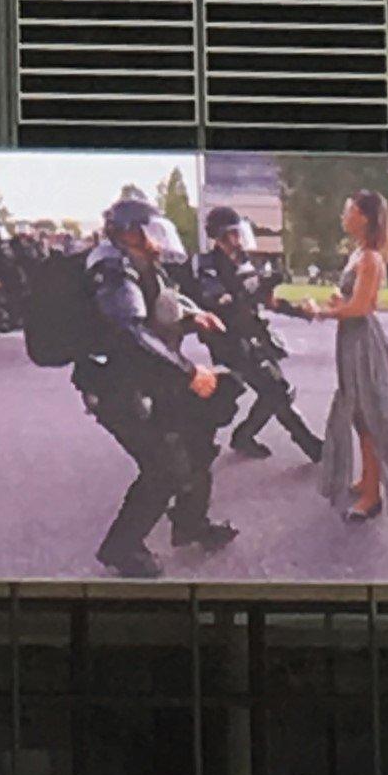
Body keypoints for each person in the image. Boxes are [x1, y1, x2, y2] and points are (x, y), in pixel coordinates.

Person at [78, 188, 237, 579]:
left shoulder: (138, 261)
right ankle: (121, 548)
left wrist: (190, 319)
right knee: (162, 466)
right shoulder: (113, 270)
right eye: (148, 232)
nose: (157, 241)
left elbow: (159, 309)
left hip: (146, 376)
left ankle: (190, 522)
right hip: (117, 387)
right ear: (128, 233)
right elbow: (130, 331)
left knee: (198, 440)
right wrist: (189, 373)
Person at [300, 186, 388, 528]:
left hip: (363, 343)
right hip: (351, 342)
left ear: (362, 218)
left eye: (349, 210)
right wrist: (338, 301)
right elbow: (353, 301)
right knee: (360, 415)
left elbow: (362, 308)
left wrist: (320, 311)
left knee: (373, 417)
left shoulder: (369, 259)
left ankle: (373, 496)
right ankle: (367, 481)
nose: (343, 215)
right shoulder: (358, 254)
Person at [194, 204, 324, 464]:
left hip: (253, 335)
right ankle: (311, 446)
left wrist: (300, 312)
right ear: (219, 236)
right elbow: (219, 299)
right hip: (229, 341)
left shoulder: (244, 262)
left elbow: (268, 300)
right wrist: (244, 292)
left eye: (239, 233)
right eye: (232, 234)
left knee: (276, 391)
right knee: (273, 390)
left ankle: (244, 435)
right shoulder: (207, 265)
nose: (238, 239)